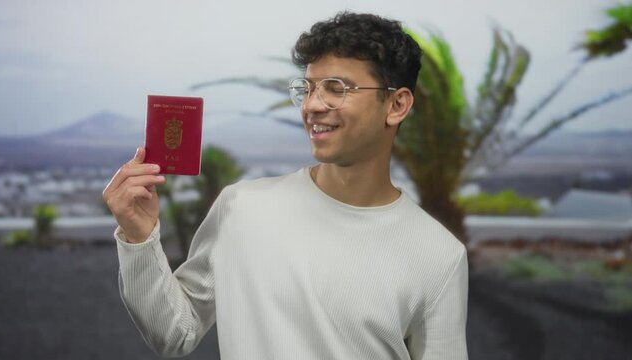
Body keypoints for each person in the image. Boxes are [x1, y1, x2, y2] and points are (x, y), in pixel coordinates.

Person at [103, 11, 468, 360]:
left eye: (335, 88)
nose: (312, 105)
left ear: (397, 104)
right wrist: (139, 237)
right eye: (307, 88)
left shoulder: (439, 256)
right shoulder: (241, 208)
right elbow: (174, 333)